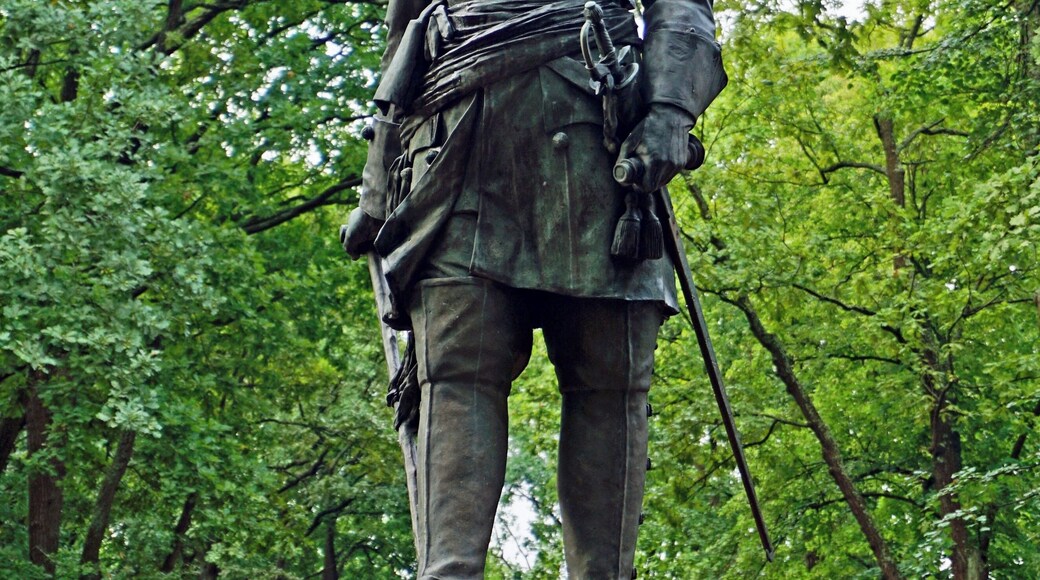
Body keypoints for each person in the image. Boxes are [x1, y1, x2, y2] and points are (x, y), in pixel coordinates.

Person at [342, 0, 726, 576]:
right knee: (456, 365)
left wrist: (670, 110)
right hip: (455, 140)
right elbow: (405, 29)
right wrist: (378, 186)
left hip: (594, 127)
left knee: (609, 374)